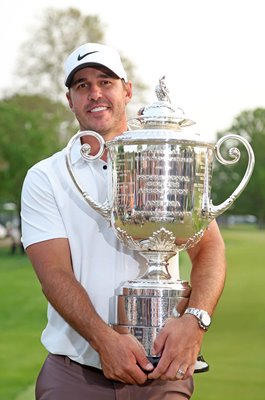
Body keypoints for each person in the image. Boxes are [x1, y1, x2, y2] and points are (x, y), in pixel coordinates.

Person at [21, 43, 226, 400]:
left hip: (164, 373)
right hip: (76, 376)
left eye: (105, 81)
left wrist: (196, 319)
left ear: (127, 90)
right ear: (70, 99)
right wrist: (104, 341)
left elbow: (208, 247)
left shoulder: (167, 159)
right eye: (81, 85)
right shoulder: (46, 176)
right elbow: (54, 274)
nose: (95, 93)